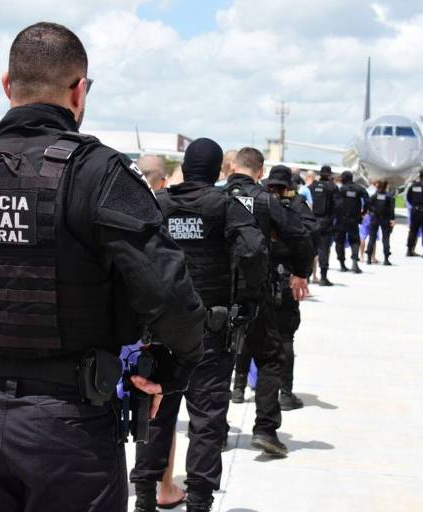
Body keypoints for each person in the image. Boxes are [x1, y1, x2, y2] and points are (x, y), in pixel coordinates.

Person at [0, 23, 206, 512]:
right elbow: (170, 297)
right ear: (79, 90)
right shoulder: (97, 171)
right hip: (67, 426)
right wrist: (168, 369)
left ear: (7, 85)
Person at [131, 138, 268, 512]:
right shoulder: (225, 206)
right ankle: (199, 502)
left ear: (187, 168)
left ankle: (144, 498)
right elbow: (254, 250)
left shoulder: (158, 204)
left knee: (157, 413)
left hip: (160, 330)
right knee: (206, 420)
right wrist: (249, 301)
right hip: (210, 329)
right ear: (216, 172)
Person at [225, 151, 313, 445]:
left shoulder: (215, 199)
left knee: (215, 361)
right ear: (259, 172)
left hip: (217, 293)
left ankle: (214, 431)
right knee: (271, 355)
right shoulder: (265, 202)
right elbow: (302, 236)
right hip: (255, 292)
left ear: (231, 168)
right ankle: (264, 428)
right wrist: (300, 272)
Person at [132, 153, 184, 508]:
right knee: (161, 409)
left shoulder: (120, 208)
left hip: (122, 330)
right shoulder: (165, 210)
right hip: (162, 327)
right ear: (162, 181)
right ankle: (161, 488)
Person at [263, 165, 318, 410]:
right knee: (285, 336)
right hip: (286, 275)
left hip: (259, 276)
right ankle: (285, 393)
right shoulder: (296, 206)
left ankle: (240, 388)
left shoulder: (260, 201)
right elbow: (311, 234)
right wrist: (301, 271)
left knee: (249, 335)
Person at [309, 165, 339, 286]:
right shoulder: (332, 187)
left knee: (310, 249)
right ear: (329, 175)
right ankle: (323, 277)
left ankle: (307, 276)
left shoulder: (312, 186)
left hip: (312, 221)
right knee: (324, 250)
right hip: (326, 222)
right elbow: (338, 206)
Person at [334, 171, 369, 273]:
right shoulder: (359, 188)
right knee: (354, 241)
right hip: (354, 219)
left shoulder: (341, 189)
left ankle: (342, 264)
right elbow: (367, 200)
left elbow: (335, 203)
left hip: (341, 220)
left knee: (339, 241)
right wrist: (364, 211)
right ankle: (354, 263)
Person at [366, 180, 395, 265]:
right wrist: (392, 219)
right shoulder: (389, 196)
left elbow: (368, 205)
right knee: (386, 239)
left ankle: (368, 259)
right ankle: (386, 259)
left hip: (375, 218)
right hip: (385, 219)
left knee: (372, 238)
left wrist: (371, 213)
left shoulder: (374, 196)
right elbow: (391, 210)